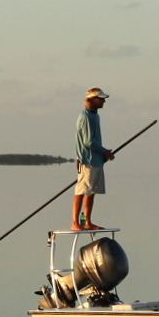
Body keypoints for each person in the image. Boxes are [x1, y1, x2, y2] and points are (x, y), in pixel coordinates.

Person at [72, 88, 115, 230]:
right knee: (81, 191)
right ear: (91, 100)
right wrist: (105, 151)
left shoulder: (95, 116)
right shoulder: (84, 116)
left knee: (91, 192)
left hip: (96, 160)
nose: (103, 101)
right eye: (100, 98)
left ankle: (87, 221)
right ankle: (75, 223)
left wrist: (103, 155)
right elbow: (88, 142)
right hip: (86, 161)